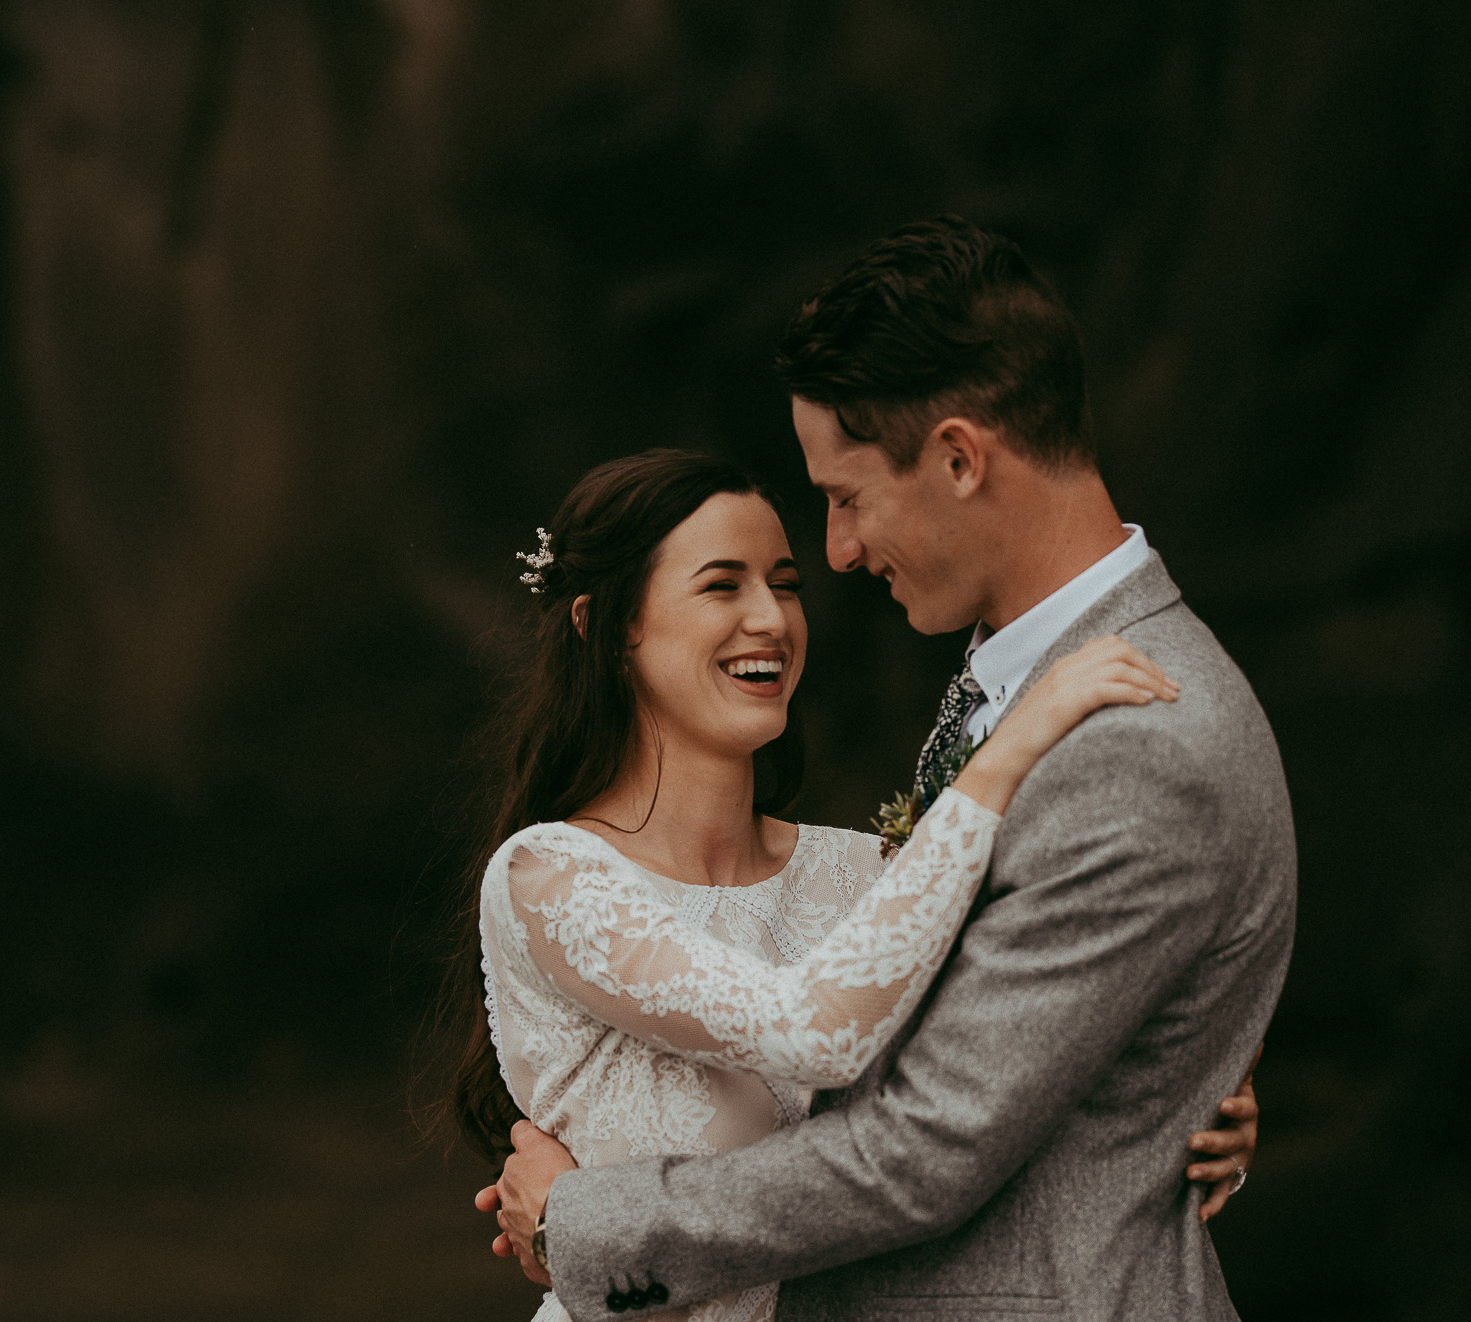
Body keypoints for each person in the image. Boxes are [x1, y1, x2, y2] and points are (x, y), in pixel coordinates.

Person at [480, 217, 1292, 1321]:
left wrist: (581, 1223)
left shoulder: (1134, 737)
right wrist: (1172, 1073)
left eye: (847, 497)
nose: (841, 551)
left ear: (960, 458)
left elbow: (925, 1145)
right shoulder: (1026, 680)